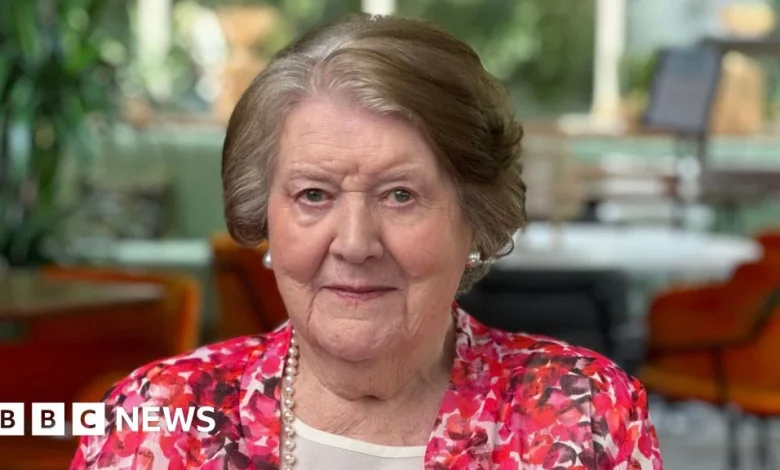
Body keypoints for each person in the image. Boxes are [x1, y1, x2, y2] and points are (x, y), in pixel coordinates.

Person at [70, 13, 662, 470]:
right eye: (313, 196)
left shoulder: (582, 413)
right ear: (266, 218)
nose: (354, 244)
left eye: (400, 195)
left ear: (474, 219)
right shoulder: (156, 416)